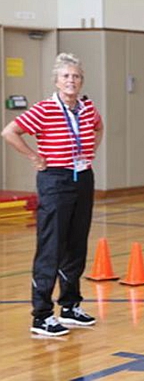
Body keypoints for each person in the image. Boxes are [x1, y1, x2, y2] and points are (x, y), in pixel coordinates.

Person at [1, 53, 104, 337]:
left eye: (76, 76)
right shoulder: (45, 109)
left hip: (82, 177)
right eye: (66, 76)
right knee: (52, 246)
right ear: (57, 81)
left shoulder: (86, 107)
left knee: (76, 244)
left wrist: (89, 151)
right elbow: (10, 132)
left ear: (82, 81)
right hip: (55, 180)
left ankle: (70, 306)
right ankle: (42, 315)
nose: (71, 81)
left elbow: (99, 126)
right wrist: (34, 156)